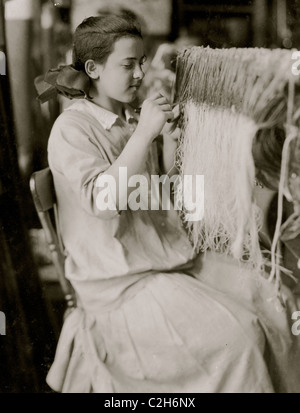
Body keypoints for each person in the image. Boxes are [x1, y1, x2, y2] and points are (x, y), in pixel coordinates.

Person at [41, 14, 300, 393]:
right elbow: (104, 202)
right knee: (240, 339)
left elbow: (160, 198)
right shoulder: (72, 129)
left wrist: (172, 143)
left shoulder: (129, 119)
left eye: (142, 62)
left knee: (276, 299)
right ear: (93, 68)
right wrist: (146, 133)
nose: (140, 73)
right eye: (128, 64)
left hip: (166, 259)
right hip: (120, 285)